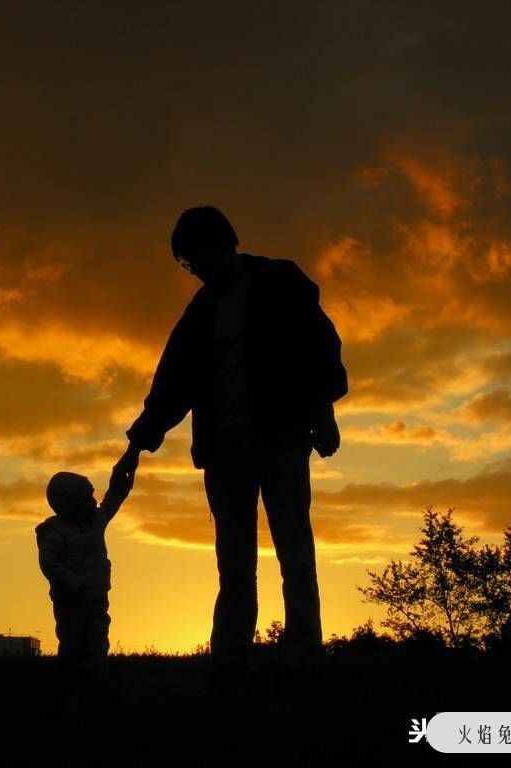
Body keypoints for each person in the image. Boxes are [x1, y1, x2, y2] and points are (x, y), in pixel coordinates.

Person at [115, 205, 348, 673]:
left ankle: (303, 656)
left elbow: (319, 348)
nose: (194, 270)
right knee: (235, 565)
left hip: (281, 440)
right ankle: (230, 657)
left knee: (295, 554)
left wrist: (323, 412)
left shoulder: (281, 283)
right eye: (187, 264)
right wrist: (138, 442)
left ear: (223, 243)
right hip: (224, 453)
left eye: (195, 258)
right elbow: (172, 385)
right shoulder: (199, 313)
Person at [35, 462, 133, 680]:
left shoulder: (95, 522)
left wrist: (123, 481)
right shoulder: (54, 533)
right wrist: (74, 585)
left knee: (98, 638)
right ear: (70, 504)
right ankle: (72, 680)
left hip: (96, 597)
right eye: (87, 499)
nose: (94, 502)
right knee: (72, 641)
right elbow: (50, 565)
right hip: (70, 601)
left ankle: (98, 677)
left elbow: (112, 500)